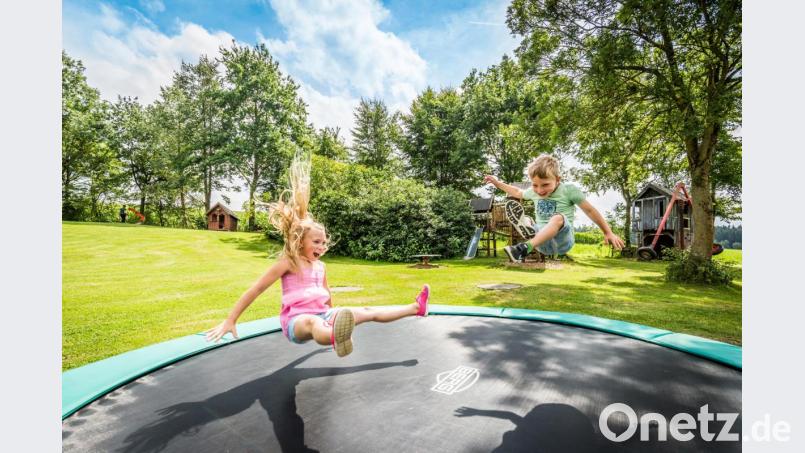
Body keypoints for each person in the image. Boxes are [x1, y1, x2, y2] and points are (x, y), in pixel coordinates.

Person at [206, 152, 430, 357]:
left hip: (325, 316)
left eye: (324, 242)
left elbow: (326, 291)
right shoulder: (289, 262)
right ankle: (335, 336)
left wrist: (334, 312)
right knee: (314, 324)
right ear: (299, 241)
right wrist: (231, 319)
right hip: (297, 322)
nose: (322, 246)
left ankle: (415, 308)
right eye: (316, 242)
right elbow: (256, 289)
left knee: (367, 311)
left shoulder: (321, 266)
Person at [483, 154, 625, 262]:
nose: (539, 190)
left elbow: (589, 210)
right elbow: (517, 192)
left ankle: (524, 247)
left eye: (545, 185)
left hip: (563, 241)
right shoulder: (533, 192)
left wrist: (608, 232)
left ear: (558, 179)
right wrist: (497, 183)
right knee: (528, 219)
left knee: (558, 217)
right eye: (535, 185)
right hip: (542, 244)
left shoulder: (568, 190)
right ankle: (529, 227)